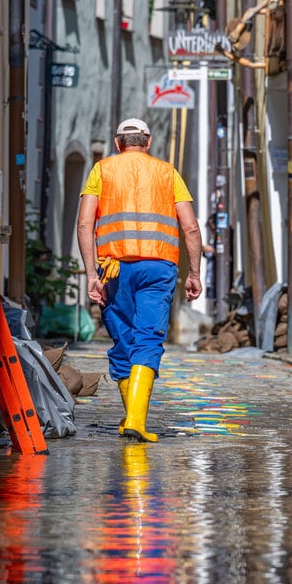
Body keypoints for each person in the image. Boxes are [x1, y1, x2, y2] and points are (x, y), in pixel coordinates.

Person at [76, 117, 203, 442]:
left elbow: (84, 224)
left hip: (114, 269)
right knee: (147, 339)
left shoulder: (101, 171)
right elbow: (189, 226)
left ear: (118, 143)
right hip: (158, 269)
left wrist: (91, 275)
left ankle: (133, 417)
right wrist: (194, 273)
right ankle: (135, 419)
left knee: (123, 342)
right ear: (147, 141)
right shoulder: (167, 173)